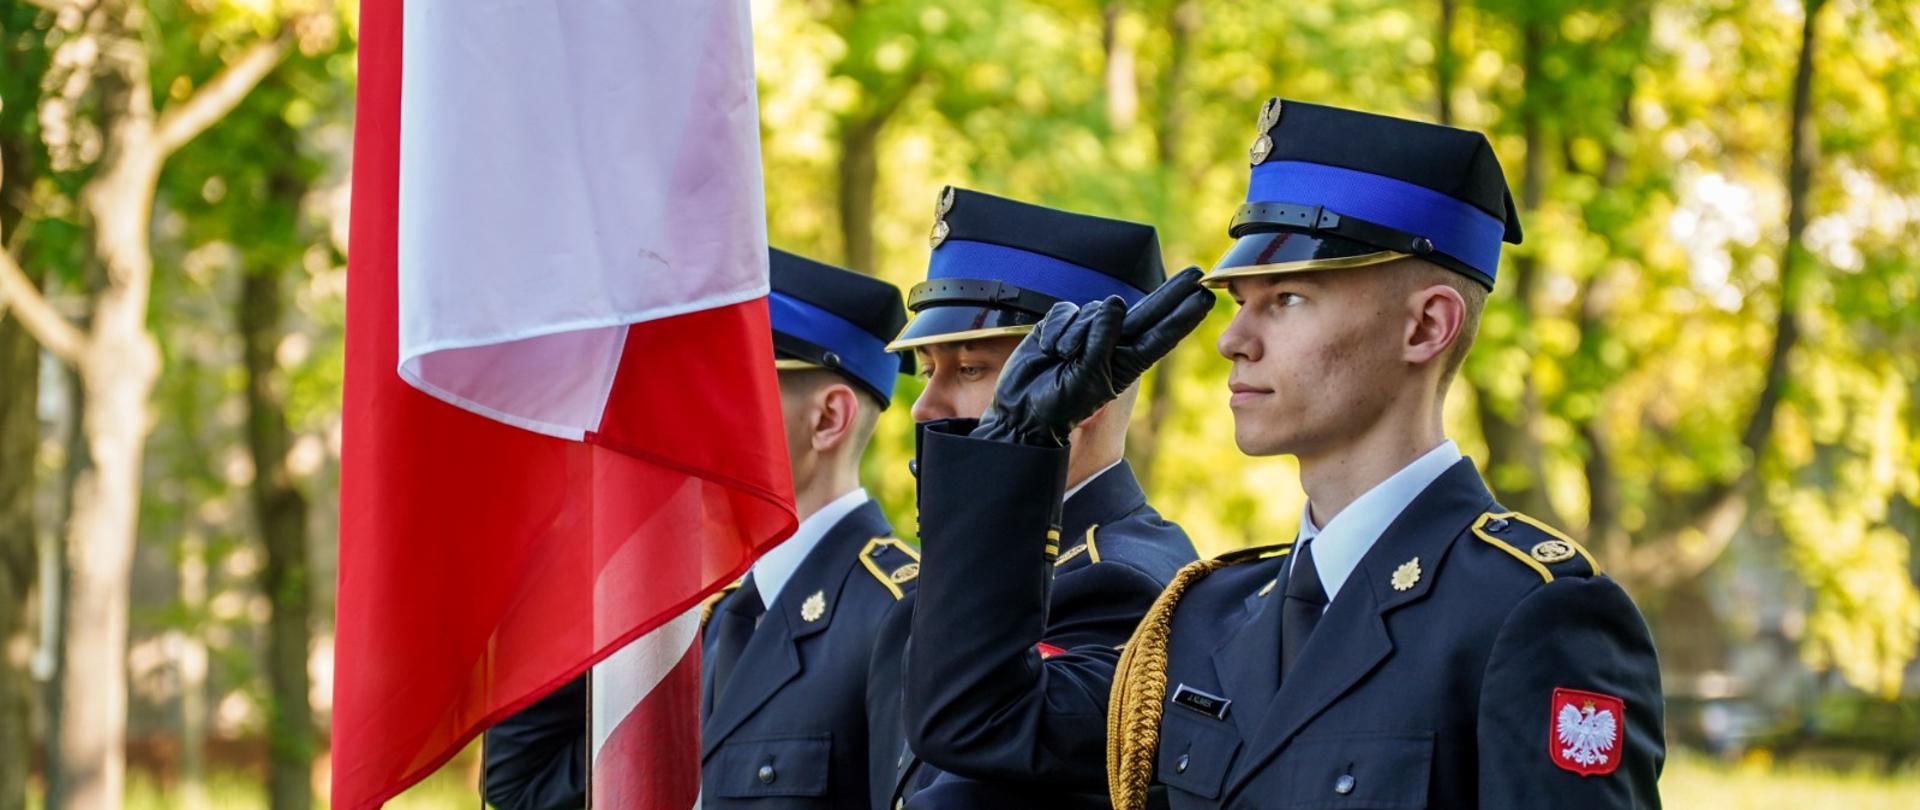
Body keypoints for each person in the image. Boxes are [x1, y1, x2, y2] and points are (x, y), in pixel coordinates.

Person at [959, 98, 1665, 809]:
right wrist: (1017, 448)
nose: (1234, 341)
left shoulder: (1528, 614)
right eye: (1240, 302)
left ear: (1426, 327)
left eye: (1288, 298)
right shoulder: (1210, 612)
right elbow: (977, 724)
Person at [482, 248, 922, 810]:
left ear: (828, 418)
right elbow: (527, 788)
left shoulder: (899, 615)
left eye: (728, 391)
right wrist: (581, 538)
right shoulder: (712, 621)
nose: (688, 419)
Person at [873, 187, 1202, 810]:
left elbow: (978, 733)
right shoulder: (937, 583)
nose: (923, 406)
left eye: (969, 370)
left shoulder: (1120, 579)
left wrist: (1010, 453)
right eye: (926, 371)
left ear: (1084, 390)